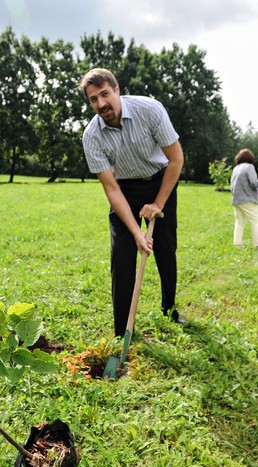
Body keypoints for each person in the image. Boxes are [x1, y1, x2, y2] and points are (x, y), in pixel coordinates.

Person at [79, 68, 186, 336]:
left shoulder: (150, 110)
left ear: (117, 90)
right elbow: (111, 188)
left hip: (160, 180)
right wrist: (136, 232)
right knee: (122, 256)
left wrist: (158, 204)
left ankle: (169, 309)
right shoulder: (91, 136)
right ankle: (122, 331)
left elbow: (176, 160)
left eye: (105, 94)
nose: (101, 103)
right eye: (93, 99)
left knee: (165, 249)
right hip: (124, 189)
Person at [230, 148, 258, 249]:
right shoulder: (249, 167)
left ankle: (238, 244)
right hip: (247, 199)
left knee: (239, 221)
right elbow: (253, 181)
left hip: (236, 199)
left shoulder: (236, 168)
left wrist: (257, 191)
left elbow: (234, 184)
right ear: (251, 158)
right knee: (254, 221)